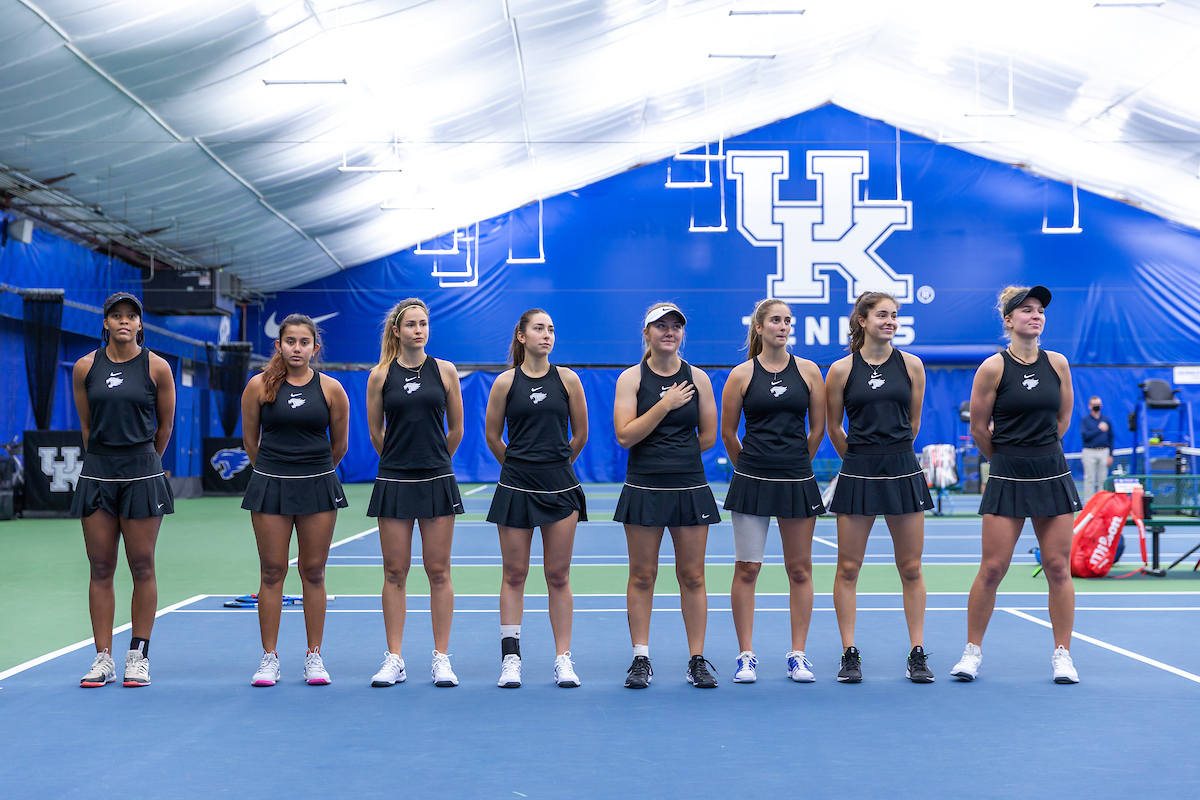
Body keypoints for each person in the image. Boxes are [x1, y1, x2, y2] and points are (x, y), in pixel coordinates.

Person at [952, 286, 1082, 684]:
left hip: (1052, 471)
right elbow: (979, 428)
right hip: (1007, 472)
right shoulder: (993, 368)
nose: (1035, 315)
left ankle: (1063, 655)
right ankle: (972, 652)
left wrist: (1040, 452)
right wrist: (1007, 459)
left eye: (1039, 309)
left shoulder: (1057, 363)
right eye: (1026, 310)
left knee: (1057, 566)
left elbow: (1063, 419)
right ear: (1008, 320)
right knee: (993, 568)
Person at [825, 292, 934, 684]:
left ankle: (917, 652)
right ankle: (849, 653)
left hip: (903, 468)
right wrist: (859, 459)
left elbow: (913, 423)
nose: (890, 321)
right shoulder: (840, 370)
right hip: (858, 470)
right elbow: (834, 426)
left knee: (911, 567)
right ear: (862, 320)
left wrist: (893, 453)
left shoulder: (912, 365)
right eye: (882, 315)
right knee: (848, 568)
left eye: (894, 315)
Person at [614, 302, 721, 689]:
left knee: (692, 576)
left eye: (676, 326)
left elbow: (708, 437)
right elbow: (625, 435)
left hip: (690, 487)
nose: (669, 331)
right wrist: (665, 404)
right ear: (647, 333)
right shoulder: (631, 379)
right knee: (643, 575)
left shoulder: (699, 379)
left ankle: (697, 660)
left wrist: (677, 457)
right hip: (643, 486)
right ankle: (641, 658)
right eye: (660, 326)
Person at [72, 292, 175, 688]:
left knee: (142, 565)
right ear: (105, 323)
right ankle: (103, 659)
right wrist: (104, 459)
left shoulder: (157, 367)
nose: (124, 322)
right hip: (98, 472)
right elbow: (87, 425)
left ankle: (138, 656)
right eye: (116, 316)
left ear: (140, 324)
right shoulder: (85, 367)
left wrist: (145, 462)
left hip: (142, 475)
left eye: (131, 316)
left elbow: (165, 426)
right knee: (100, 567)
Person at [721, 299, 826, 683]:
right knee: (747, 568)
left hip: (797, 481)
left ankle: (798, 655)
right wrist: (751, 468)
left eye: (787, 321)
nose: (783, 326)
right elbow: (728, 433)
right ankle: (745, 656)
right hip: (751, 481)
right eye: (776, 320)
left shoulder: (809, 372)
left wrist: (795, 463)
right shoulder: (741, 375)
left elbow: (817, 429)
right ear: (759, 327)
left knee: (799, 569)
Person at [241, 314, 350, 686]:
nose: (297, 348)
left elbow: (339, 446)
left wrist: (312, 472)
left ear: (315, 348)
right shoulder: (258, 386)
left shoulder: (332, 389)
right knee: (272, 572)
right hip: (270, 486)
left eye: (305, 342)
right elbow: (251, 443)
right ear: (279, 345)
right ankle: (269, 658)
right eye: (290, 341)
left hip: (318, 487)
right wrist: (276, 471)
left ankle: (313, 657)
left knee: (313, 572)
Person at [484, 309, 589, 688]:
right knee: (514, 575)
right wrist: (519, 468)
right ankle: (511, 659)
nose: (547, 335)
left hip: (561, 489)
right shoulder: (505, 383)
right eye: (539, 328)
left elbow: (580, 435)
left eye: (551, 329)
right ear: (522, 336)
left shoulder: (569, 380)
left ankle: (563, 660)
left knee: (558, 576)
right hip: (515, 488)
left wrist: (554, 467)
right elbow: (493, 436)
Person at [365, 298, 464, 687]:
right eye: (410, 324)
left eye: (423, 323)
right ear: (397, 331)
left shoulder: (446, 371)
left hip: (437, 479)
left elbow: (456, 429)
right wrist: (400, 460)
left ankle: (442, 658)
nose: (418, 330)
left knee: (439, 571)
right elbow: (376, 433)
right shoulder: (379, 376)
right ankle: (395, 658)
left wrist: (433, 459)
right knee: (394, 572)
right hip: (394, 480)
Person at [1080, 396, 1114, 501]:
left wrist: (1110, 454)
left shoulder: (1105, 420)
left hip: (1103, 451)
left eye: (1098, 404)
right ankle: (1088, 503)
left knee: (1102, 479)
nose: (1096, 406)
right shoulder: (1085, 420)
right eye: (1094, 404)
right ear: (1089, 406)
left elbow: (1111, 437)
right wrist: (1099, 429)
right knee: (1089, 479)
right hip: (1089, 451)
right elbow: (1085, 436)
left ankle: (1101, 502)